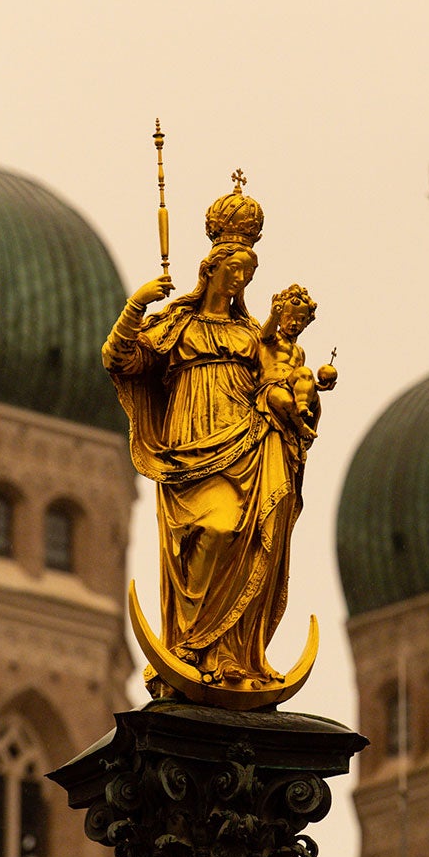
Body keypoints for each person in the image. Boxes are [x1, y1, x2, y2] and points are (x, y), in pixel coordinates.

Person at [103, 225, 312, 694]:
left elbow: (277, 376)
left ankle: (236, 656)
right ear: (210, 269)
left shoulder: (250, 334)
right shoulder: (177, 325)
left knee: (261, 528)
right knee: (215, 527)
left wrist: (302, 391)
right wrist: (137, 304)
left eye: (248, 274)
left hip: (250, 438)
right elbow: (120, 360)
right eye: (234, 269)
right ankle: (190, 645)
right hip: (190, 443)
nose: (240, 281)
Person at [256, 284, 334, 446]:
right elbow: (265, 334)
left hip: (291, 386)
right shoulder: (273, 339)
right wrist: (273, 315)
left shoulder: (300, 351)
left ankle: (302, 407)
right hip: (272, 386)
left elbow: (302, 383)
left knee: (305, 374)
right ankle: (300, 425)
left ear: (307, 323)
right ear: (280, 319)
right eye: (288, 317)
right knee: (283, 399)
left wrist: (319, 386)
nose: (294, 323)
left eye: (300, 319)